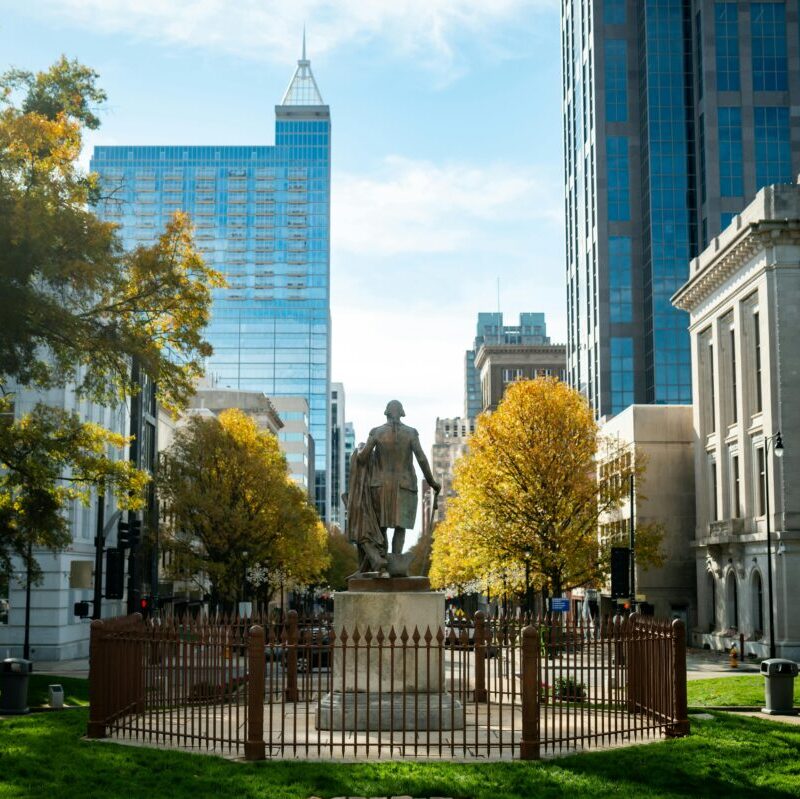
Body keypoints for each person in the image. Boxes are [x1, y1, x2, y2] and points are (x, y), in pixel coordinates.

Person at [357, 399, 441, 557]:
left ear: (386, 412)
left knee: (380, 527)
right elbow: (421, 458)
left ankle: (382, 565)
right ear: (402, 413)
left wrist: (359, 450)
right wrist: (432, 482)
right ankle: (395, 562)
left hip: (379, 486)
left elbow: (362, 459)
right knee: (400, 527)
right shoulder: (411, 433)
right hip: (405, 485)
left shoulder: (376, 432)